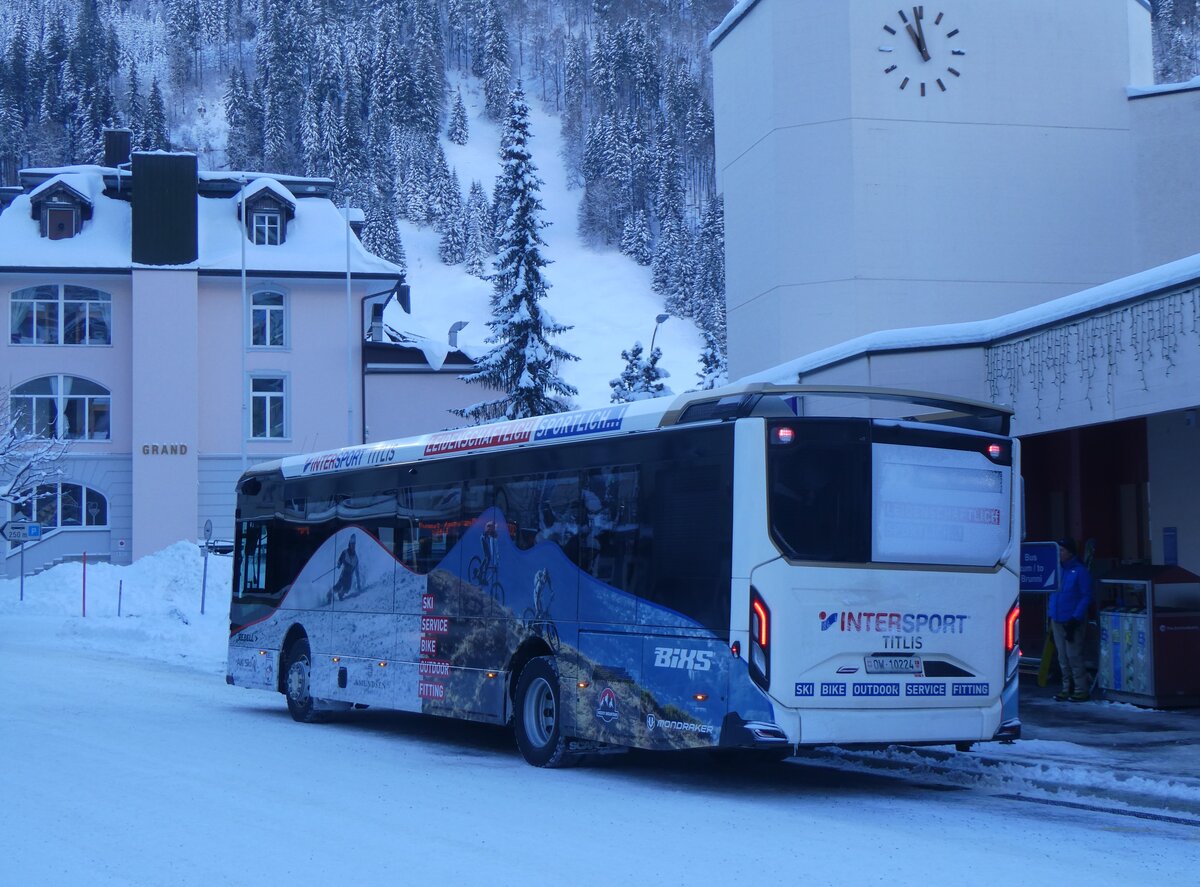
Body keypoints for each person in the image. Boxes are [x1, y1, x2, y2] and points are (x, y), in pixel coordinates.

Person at [1050, 538, 1093, 702]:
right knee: (1062, 656)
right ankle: (1066, 688)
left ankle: (1081, 689)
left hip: (1072, 620)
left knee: (1074, 655)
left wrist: (1076, 618)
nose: (1059, 553)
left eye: (1061, 550)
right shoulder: (1058, 570)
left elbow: (1086, 596)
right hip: (1057, 618)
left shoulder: (1080, 571)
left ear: (1070, 552)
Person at [332, 534, 361, 601]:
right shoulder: (345, 552)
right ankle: (330, 594)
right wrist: (339, 564)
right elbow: (340, 560)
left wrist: (359, 585)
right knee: (339, 585)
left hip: (350, 575)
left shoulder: (356, 558)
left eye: (354, 544)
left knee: (347, 588)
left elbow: (357, 573)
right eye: (352, 544)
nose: (353, 546)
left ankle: (340, 594)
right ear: (349, 544)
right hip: (344, 573)